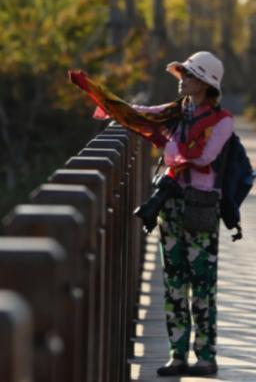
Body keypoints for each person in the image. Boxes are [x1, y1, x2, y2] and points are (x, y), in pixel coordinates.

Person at [69, 51, 232, 377]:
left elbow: (202, 156)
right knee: (173, 281)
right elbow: (135, 114)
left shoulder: (221, 120)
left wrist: (172, 149)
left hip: (199, 204)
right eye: (182, 73)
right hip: (169, 203)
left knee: (202, 283)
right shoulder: (173, 114)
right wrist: (94, 90)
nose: (181, 79)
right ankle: (177, 355)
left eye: (187, 74)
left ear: (203, 83)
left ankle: (205, 355)